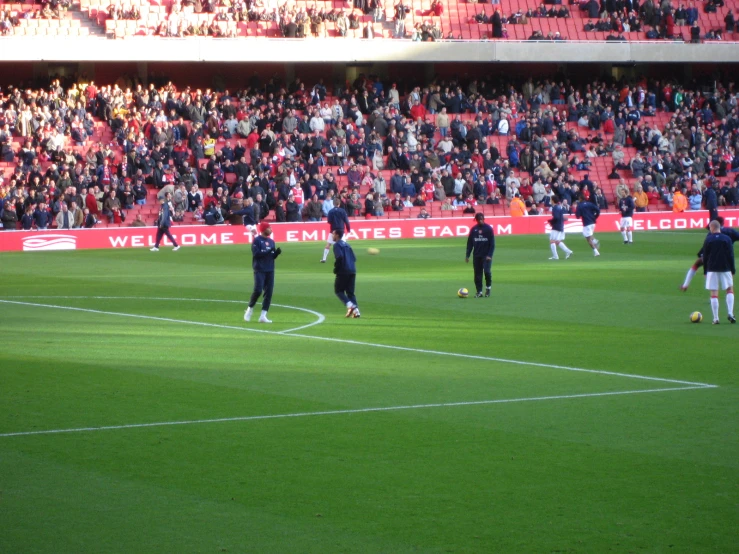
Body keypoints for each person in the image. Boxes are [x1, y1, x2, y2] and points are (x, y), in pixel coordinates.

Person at [681, 216, 739, 291]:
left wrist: (700, 254)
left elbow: (706, 246)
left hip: (711, 258)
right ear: (723, 223)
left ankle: (685, 285)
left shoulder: (711, 233)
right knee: (728, 286)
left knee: (697, 264)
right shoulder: (731, 231)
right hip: (725, 258)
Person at [244, 221, 282, 324]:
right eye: (269, 228)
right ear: (264, 229)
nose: (271, 229)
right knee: (258, 290)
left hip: (270, 269)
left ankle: (263, 315)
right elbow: (256, 254)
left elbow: (271, 256)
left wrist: (276, 254)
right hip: (259, 269)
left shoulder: (271, 242)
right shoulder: (257, 241)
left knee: (269, 293)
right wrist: (268, 252)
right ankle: (249, 309)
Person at [701, 220, 735, 324]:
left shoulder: (708, 239)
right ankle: (730, 313)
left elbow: (705, 257)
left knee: (714, 292)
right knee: (729, 289)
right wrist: (733, 270)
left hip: (712, 268)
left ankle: (716, 318)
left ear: (712, 227)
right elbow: (731, 255)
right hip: (725, 267)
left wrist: (705, 271)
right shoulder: (727, 239)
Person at [465, 212, 495, 297]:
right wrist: (467, 255)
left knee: (487, 272)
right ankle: (479, 292)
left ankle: (488, 288)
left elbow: (492, 244)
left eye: (482, 219)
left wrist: (490, 255)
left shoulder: (488, 229)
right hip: (477, 255)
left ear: (484, 219)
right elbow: (470, 243)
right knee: (477, 275)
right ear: (476, 220)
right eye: (479, 220)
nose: (481, 221)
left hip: (486, 256)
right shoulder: (473, 229)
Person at [332, 229, 360, 318]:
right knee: (350, 293)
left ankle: (350, 306)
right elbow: (354, 258)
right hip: (352, 270)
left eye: (333, 234)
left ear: (337, 235)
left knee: (338, 291)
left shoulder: (337, 245)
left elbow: (339, 257)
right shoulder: (347, 245)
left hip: (343, 271)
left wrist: (336, 268)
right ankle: (356, 312)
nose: (332, 236)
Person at [321, 198, 351, 263]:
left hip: (333, 230)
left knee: (328, 244)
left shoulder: (330, 211)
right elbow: (346, 221)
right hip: (341, 230)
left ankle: (324, 258)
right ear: (339, 204)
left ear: (333, 203)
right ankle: (345, 258)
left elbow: (329, 221)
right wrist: (348, 229)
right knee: (343, 245)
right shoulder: (342, 211)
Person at [548, 195, 573, 260]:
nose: (550, 200)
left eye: (551, 199)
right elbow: (561, 216)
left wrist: (551, 221)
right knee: (557, 241)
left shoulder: (555, 208)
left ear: (553, 200)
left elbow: (556, 217)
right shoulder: (560, 207)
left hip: (556, 226)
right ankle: (568, 251)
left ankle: (555, 256)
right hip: (560, 225)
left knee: (552, 241)